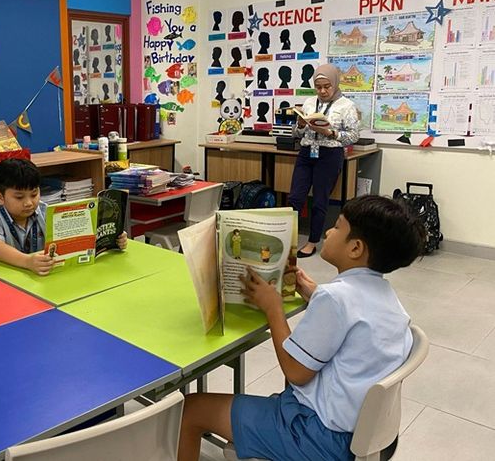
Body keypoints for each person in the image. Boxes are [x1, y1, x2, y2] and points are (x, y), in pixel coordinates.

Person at [177, 195, 424, 461]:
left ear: (355, 248)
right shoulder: (388, 298)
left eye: (337, 226)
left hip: (316, 437)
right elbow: (354, 315)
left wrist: (273, 309)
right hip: (360, 436)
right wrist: (313, 292)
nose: (328, 231)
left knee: (191, 409)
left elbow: (295, 372)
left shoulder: (336, 299)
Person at [0, 158, 128, 273]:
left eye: (34, 194)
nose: (29, 203)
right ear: (0, 197)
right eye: (19, 197)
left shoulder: (45, 211)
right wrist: (28, 261)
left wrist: (110, 239)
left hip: (26, 278)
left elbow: (74, 239)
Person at [289, 63, 360, 257]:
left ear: (335, 83)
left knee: (320, 201)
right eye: (318, 86)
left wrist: (330, 133)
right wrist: (300, 125)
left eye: (327, 86)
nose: (322, 91)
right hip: (306, 152)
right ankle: (287, 239)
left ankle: (312, 242)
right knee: (295, 197)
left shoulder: (347, 105)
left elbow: (353, 136)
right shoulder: (309, 102)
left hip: (329, 155)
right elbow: (297, 133)